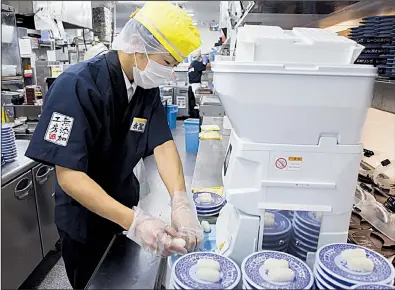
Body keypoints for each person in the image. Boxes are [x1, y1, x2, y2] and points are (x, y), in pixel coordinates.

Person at [25, 2, 203, 289]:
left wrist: (180, 200)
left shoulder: (145, 87)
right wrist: (135, 222)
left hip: (124, 204)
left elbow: (163, 144)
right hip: (85, 216)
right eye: (167, 62)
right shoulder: (76, 85)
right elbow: (69, 176)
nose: (169, 73)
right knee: (96, 281)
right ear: (138, 45)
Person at [187, 50, 211, 118]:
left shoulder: (192, 64)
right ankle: (197, 117)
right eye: (200, 56)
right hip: (195, 85)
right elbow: (204, 65)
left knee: (192, 103)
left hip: (191, 85)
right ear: (198, 57)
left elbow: (197, 71)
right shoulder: (197, 64)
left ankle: (193, 116)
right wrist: (205, 59)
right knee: (197, 103)